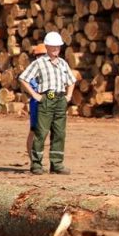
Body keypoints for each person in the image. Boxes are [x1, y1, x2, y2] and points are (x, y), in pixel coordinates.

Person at [19, 31, 77, 175]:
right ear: (47, 46)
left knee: (59, 133)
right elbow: (23, 78)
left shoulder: (63, 63)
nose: (56, 49)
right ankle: (36, 164)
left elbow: (71, 80)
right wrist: (36, 95)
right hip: (47, 98)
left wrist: (68, 96)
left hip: (60, 99)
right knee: (41, 132)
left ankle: (57, 164)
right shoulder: (39, 63)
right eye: (53, 46)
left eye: (58, 46)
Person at [26, 43, 47, 162]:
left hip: (48, 103)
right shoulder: (34, 70)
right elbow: (35, 89)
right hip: (37, 103)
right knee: (34, 131)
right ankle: (34, 160)